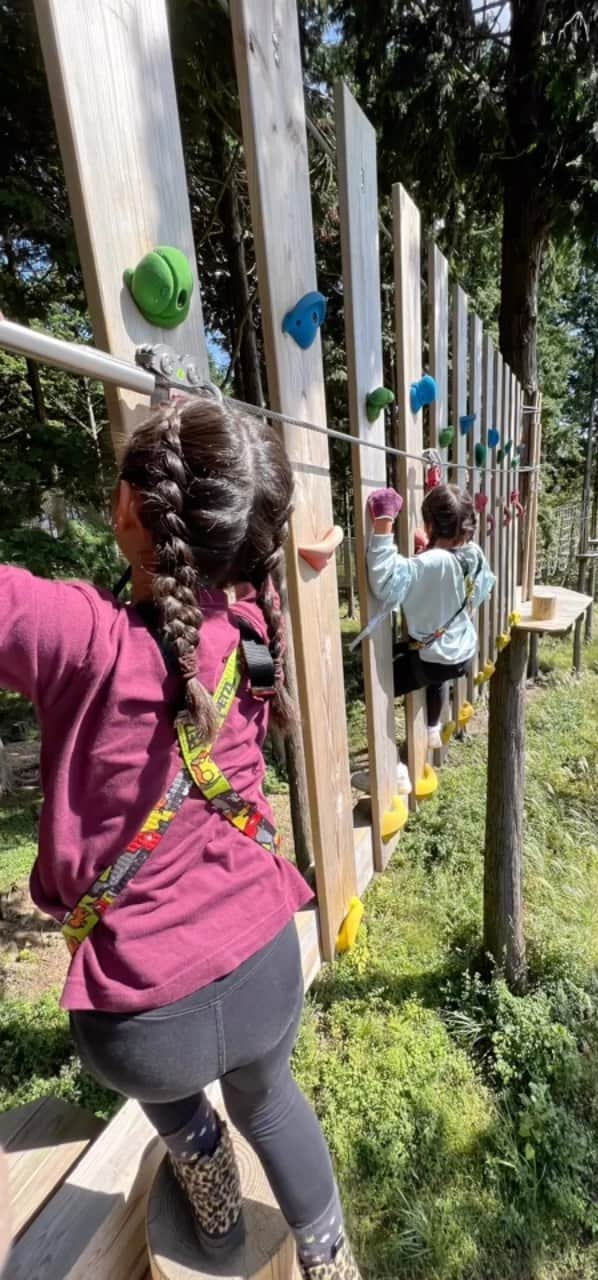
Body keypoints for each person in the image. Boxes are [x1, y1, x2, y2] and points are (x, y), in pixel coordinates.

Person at [0, 397, 361, 1279]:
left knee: (185, 1114)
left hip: (137, 1022)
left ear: (129, 508)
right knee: (271, 1101)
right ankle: (330, 1260)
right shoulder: (246, 632)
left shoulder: (83, 638)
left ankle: (218, 1218)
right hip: (269, 962)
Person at [366, 483, 495, 749]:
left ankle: (392, 767)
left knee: (378, 688)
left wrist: (383, 523)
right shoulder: (473, 554)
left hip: (432, 659)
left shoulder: (432, 563)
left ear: (428, 524)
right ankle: (433, 728)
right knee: (437, 679)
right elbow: (478, 588)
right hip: (462, 650)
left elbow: (385, 580)